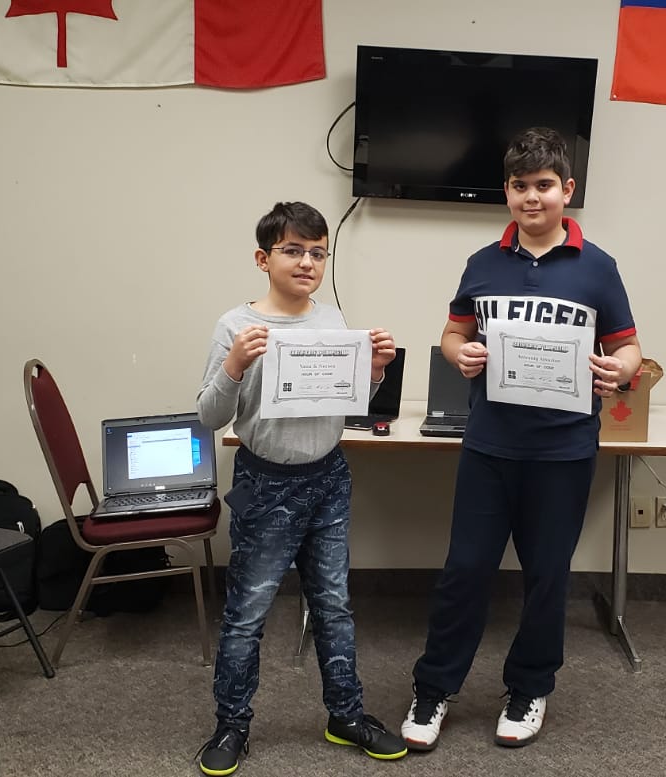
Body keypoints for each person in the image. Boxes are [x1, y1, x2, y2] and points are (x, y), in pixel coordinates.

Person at [402, 128, 641, 751]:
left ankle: (530, 687)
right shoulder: (482, 263)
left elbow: (628, 349)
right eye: (519, 186)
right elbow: (452, 335)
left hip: (564, 451)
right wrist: (460, 354)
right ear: (506, 192)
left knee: (547, 577)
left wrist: (619, 371)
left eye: (544, 185)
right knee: (465, 571)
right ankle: (434, 688)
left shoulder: (598, 267)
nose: (531, 197)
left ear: (567, 189)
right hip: (489, 447)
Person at [194, 201, 405, 775]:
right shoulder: (235, 326)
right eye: (292, 250)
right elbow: (209, 416)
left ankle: (346, 715)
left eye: (317, 253)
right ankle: (231, 724)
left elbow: (349, 402)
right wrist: (234, 365)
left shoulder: (333, 320)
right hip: (265, 483)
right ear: (263, 259)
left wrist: (375, 369)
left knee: (334, 605)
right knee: (247, 614)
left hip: (328, 478)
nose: (307, 262)